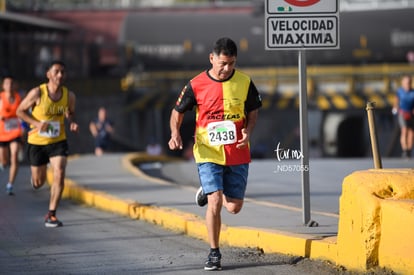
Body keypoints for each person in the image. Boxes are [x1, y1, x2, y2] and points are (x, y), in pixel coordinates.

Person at [168, 37, 262, 271]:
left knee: (233, 207)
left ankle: (207, 188)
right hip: (207, 151)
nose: (227, 69)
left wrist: (248, 132)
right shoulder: (196, 84)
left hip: (237, 152)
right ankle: (214, 253)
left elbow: (253, 111)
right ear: (212, 58)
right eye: (222, 63)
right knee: (216, 200)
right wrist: (175, 134)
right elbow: (177, 112)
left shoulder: (245, 82)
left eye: (231, 63)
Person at [16, 60, 79, 227]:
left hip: (58, 141)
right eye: (56, 71)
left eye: (62, 72)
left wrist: (72, 122)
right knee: (38, 183)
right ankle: (35, 178)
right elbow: (19, 111)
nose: (60, 75)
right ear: (48, 74)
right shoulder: (38, 93)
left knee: (59, 171)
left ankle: (51, 214)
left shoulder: (69, 95)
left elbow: (70, 113)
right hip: (37, 142)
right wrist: (37, 124)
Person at [0, 75, 23, 195]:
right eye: (6, 83)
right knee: (4, 161)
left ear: (14, 85)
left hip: (15, 132)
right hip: (2, 134)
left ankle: (10, 184)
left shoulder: (19, 98)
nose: (9, 86)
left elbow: (23, 115)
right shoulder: (1, 98)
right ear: (3, 86)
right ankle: (3, 164)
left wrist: (23, 127)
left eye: (11, 83)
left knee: (14, 155)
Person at [392, 75, 414, 158]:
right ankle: (405, 149)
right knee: (404, 130)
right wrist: (395, 107)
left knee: (411, 132)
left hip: (411, 114)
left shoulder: (413, 92)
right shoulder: (400, 91)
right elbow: (396, 101)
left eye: (409, 83)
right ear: (403, 83)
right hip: (402, 113)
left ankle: (409, 149)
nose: (408, 84)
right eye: (406, 83)